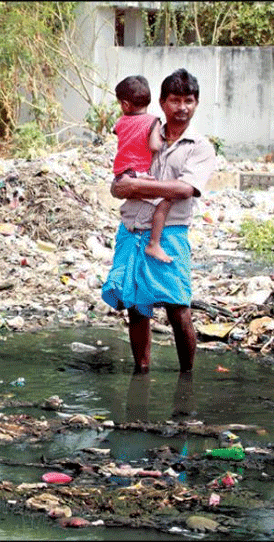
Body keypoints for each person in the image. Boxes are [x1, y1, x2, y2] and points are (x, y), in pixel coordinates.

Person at [102, 68, 216, 373]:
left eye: (189, 101)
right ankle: (141, 372)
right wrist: (120, 186)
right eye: (175, 100)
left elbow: (185, 189)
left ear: (196, 103)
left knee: (179, 308)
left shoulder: (200, 146)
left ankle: (187, 377)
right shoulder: (143, 132)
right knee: (137, 309)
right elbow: (120, 181)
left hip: (171, 233)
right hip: (132, 228)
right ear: (162, 103)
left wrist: (137, 187)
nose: (182, 107)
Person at [113, 75, 169, 262]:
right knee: (163, 201)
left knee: (137, 199)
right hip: (139, 174)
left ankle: (135, 231)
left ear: (126, 105)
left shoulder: (121, 122)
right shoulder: (152, 121)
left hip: (121, 174)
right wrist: (163, 140)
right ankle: (154, 243)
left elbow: (119, 134)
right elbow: (154, 146)